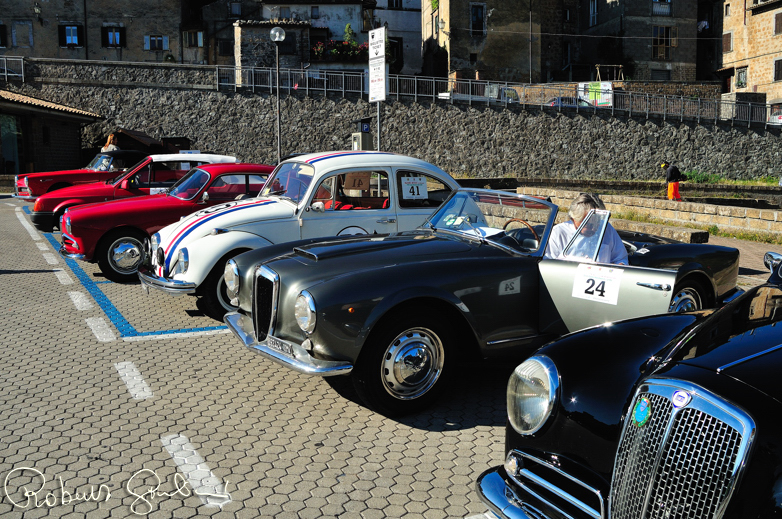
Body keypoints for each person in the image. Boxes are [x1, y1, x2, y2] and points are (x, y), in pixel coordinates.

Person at [544, 193, 628, 265]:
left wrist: (620, 265)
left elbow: (621, 258)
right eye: (589, 225)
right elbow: (549, 264)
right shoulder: (559, 232)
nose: (594, 229)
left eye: (597, 223)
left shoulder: (607, 229)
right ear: (574, 219)